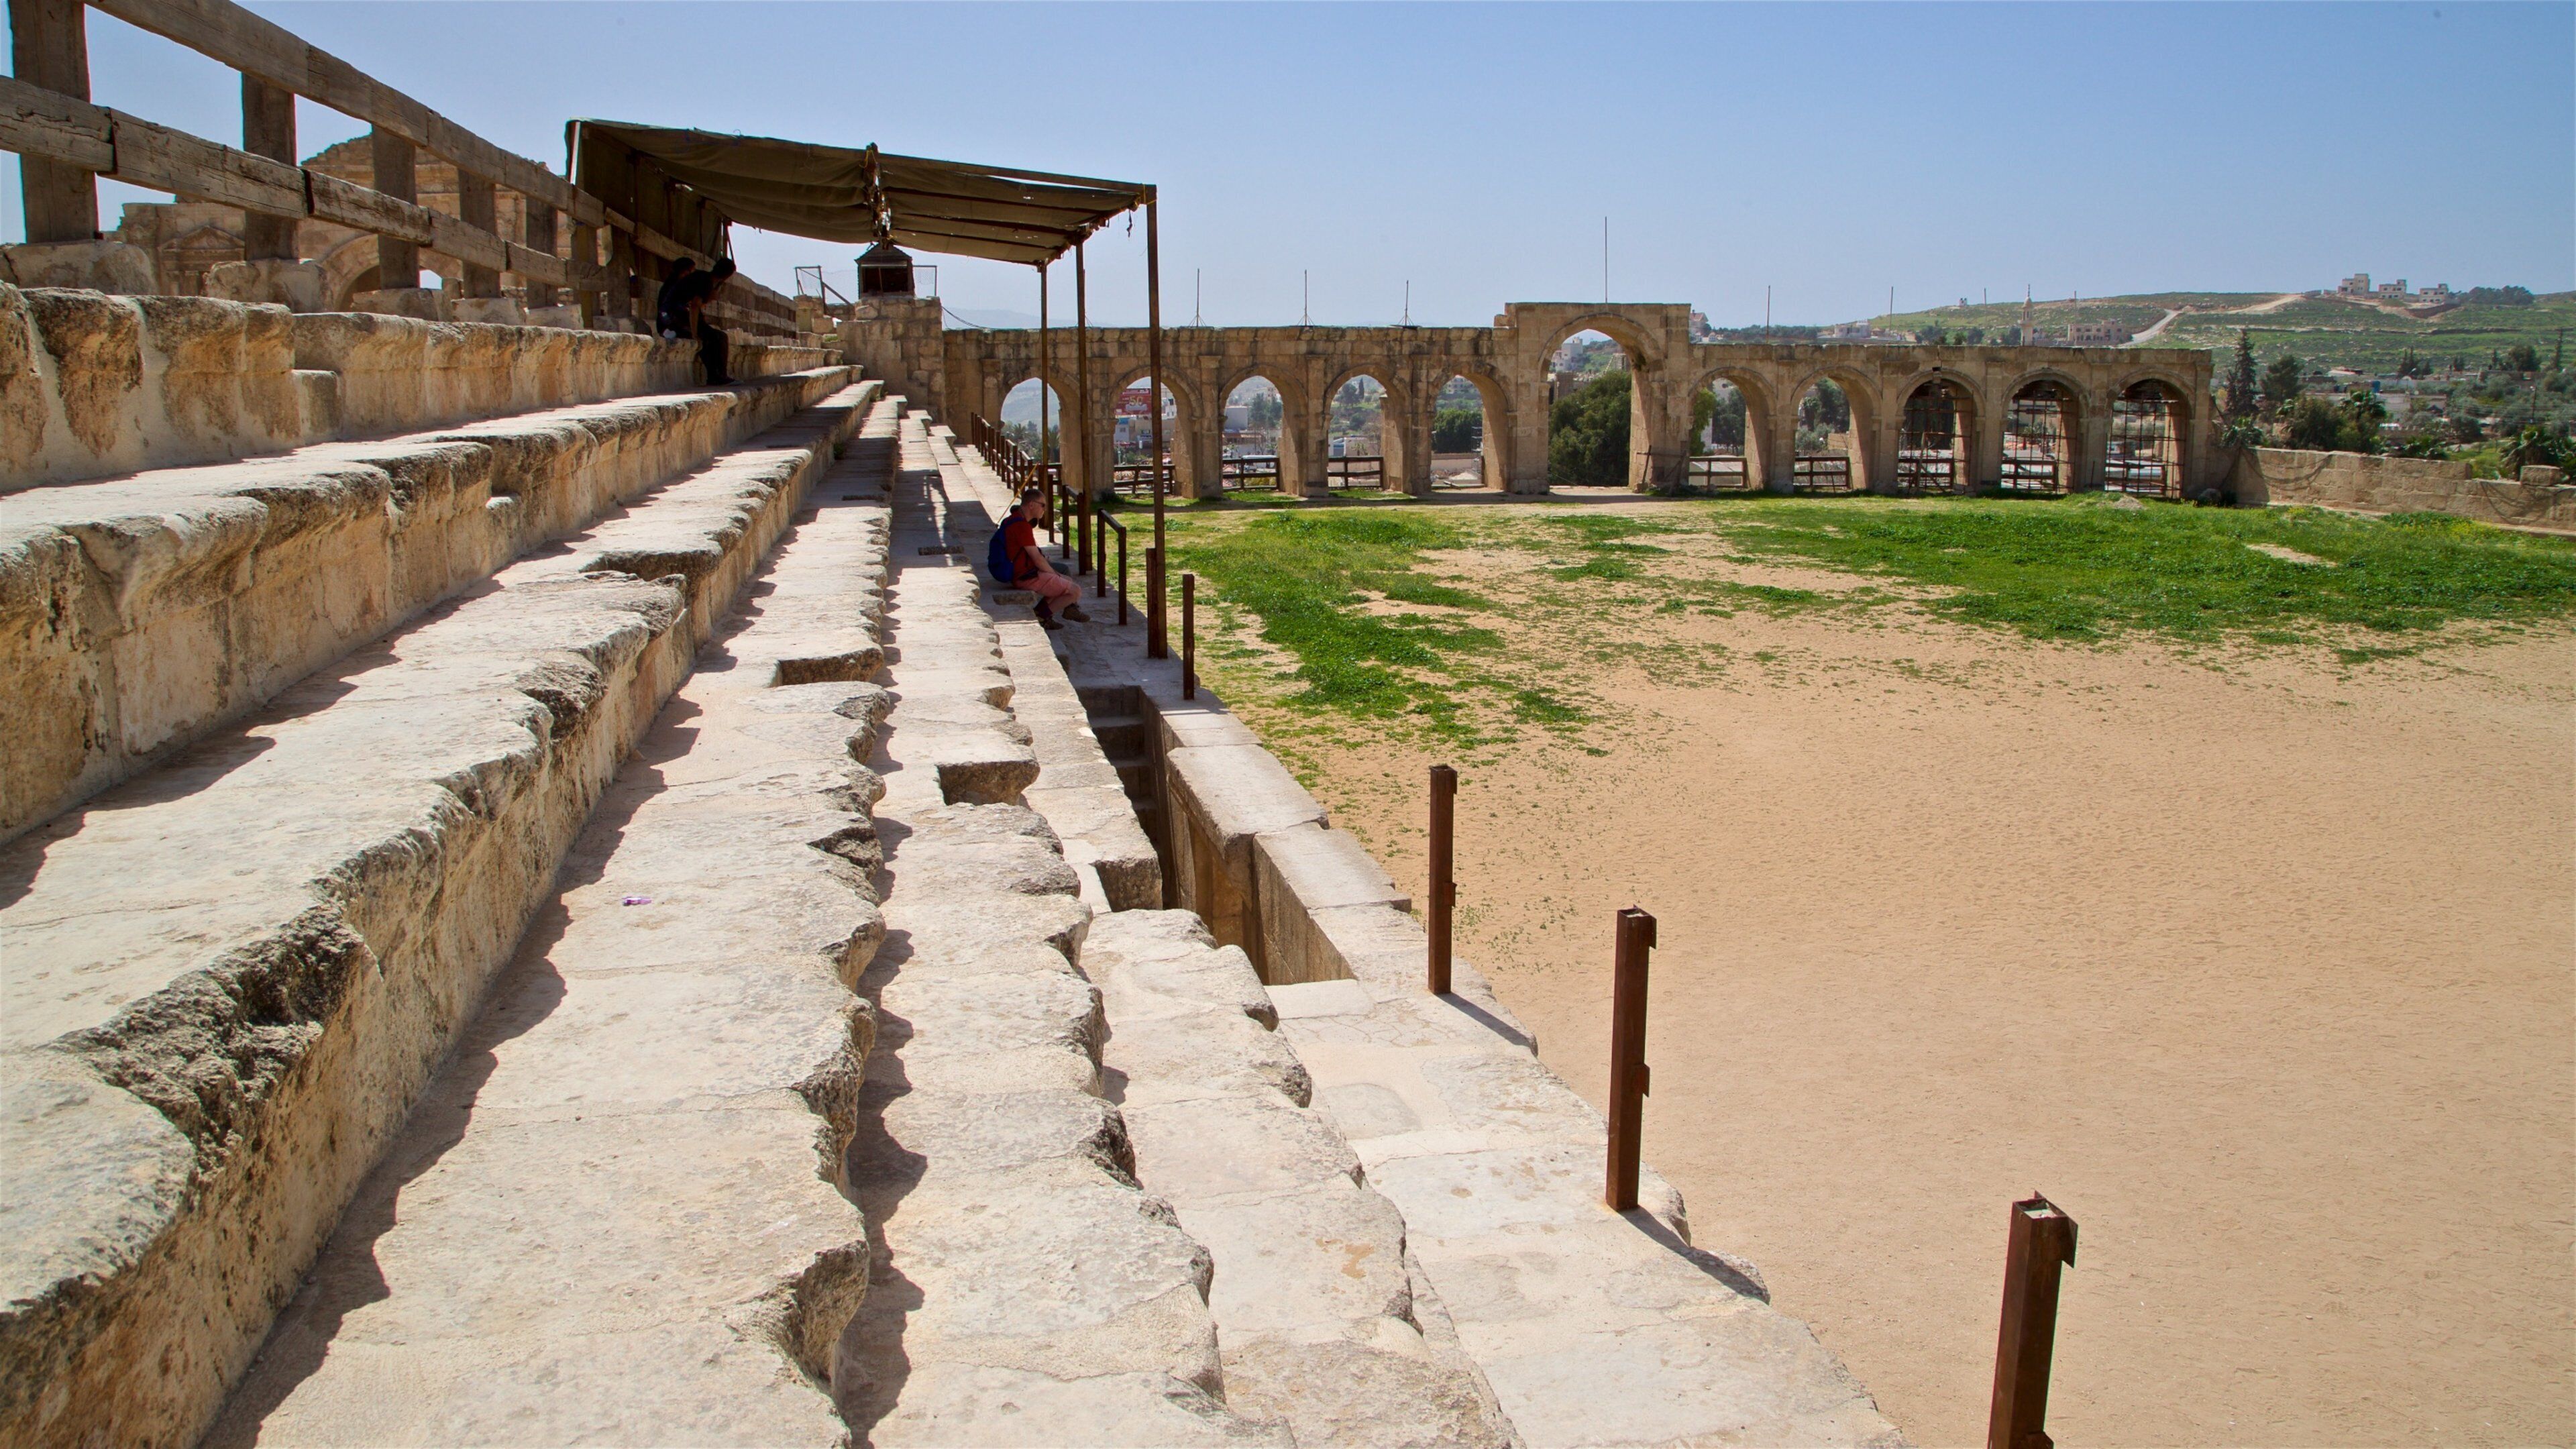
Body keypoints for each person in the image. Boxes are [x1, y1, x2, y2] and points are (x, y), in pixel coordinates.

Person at [996, 487, 1088, 631]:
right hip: (1025, 576)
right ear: (1031, 505)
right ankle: (1040, 617)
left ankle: (1043, 614)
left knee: (1066, 581)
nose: (1044, 509)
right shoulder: (1021, 526)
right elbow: (1037, 559)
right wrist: (1055, 574)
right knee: (1075, 591)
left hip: (1022, 571)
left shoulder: (1014, 519)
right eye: (1043, 505)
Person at [654, 256, 736, 384]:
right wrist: (694, 333)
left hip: (673, 318)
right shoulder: (706, 281)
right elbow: (694, 306)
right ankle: (718, 376)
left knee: (716, 337)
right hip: (673, 320)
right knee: (714, 338)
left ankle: (717, 376)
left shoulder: (702, 277)